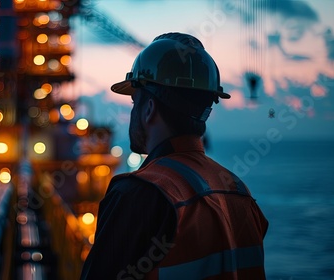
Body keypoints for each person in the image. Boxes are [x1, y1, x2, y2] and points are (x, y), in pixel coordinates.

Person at [80, 32, 268, 280]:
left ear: (148, 108)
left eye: (135, 102)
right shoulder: (240, 193)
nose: (133, 112)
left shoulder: (140, 194)